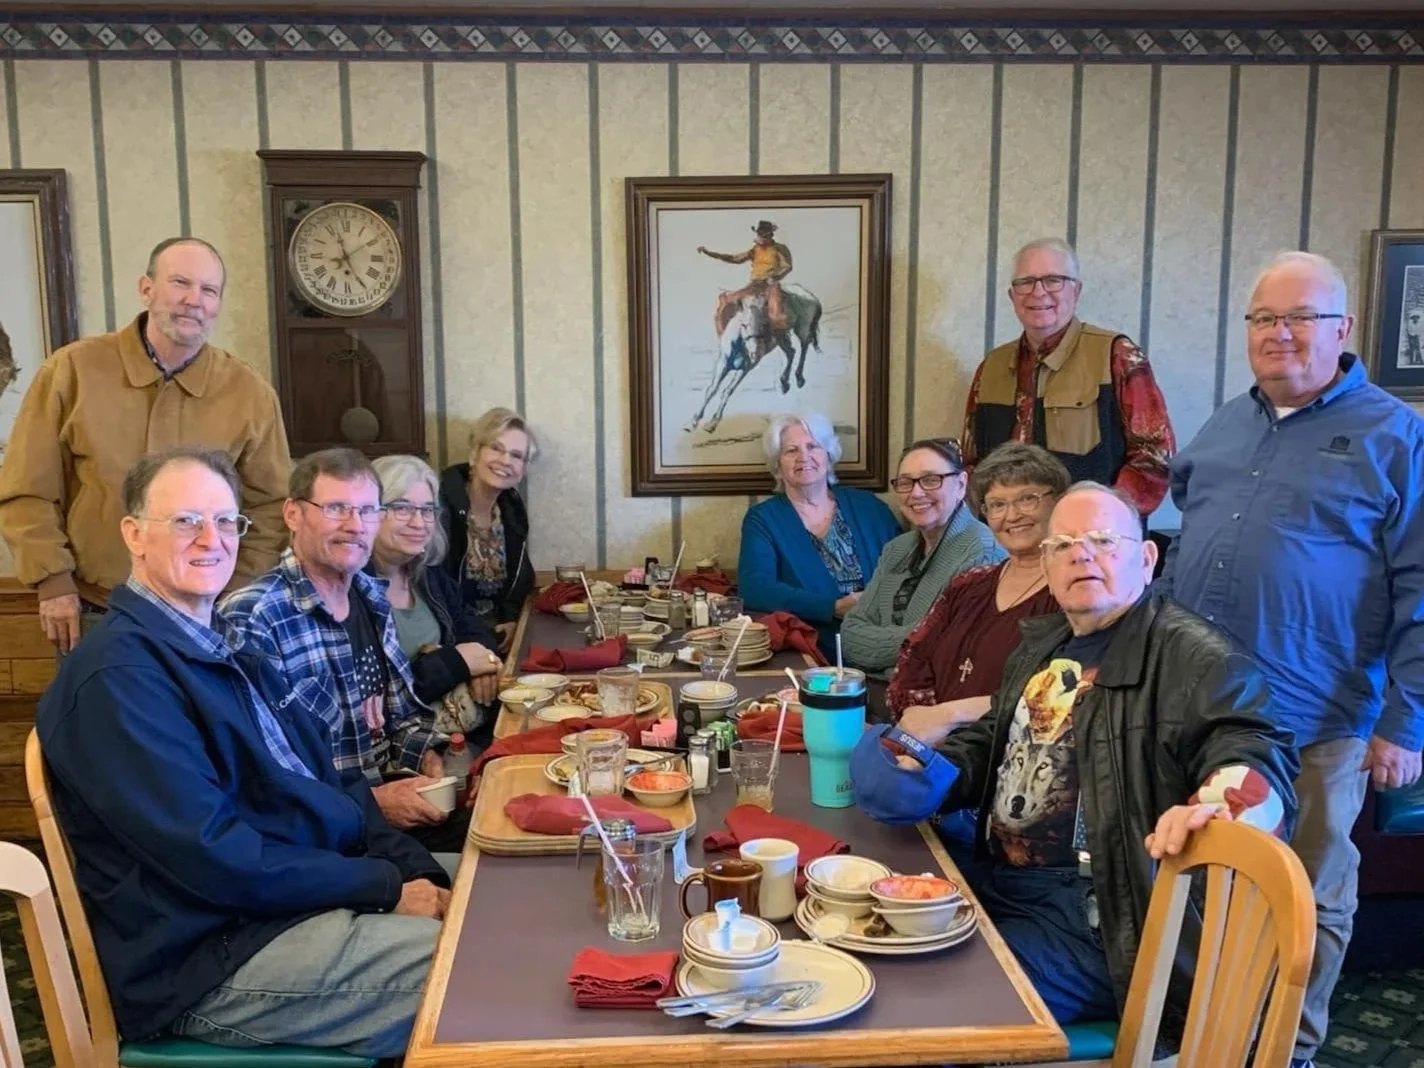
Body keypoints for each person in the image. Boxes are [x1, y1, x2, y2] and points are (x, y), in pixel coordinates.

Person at [36, 446, 448, 1058]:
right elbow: (216, 858)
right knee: (484, 963)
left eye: (226, 521)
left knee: (503, 901)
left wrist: (410, 867)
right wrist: (385, 886)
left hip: (281, 909)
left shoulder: (227, 648)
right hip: (208, 962)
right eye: (185, 521)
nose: (212, 539)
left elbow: (329, 791)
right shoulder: (118, 678)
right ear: (134, 535)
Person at [851, 481, 1299, 1041]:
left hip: (1099, 921)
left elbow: (1255, 758)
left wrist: (1214, 810)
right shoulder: (1045, 643)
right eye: (1061, 544)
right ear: (1046, 562)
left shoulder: (1199, 659)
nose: (1080, 554)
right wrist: (932, 771)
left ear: (1147, 557)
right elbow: (996, 740)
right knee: (855, 934)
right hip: (1001, 883)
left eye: (1102, 540)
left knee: (916, 1010)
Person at [1160, 250, 1424, 1068]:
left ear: (1342, 329)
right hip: (1203, 711)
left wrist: (1406, 723)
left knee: (1308, 894)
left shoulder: (1397, 433)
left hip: (1318, 718)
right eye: (1264, 318)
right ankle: (1208, 1032)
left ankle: (1288, 1048)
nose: (1281, 334)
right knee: (1202, 880)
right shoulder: (1223, 423)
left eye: (1300, 318)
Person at [0, 237, 291, 653]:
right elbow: (27, 489)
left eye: (209, 291)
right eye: (179, 283)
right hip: (93, 608)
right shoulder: (71, 371)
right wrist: (52, 580)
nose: (194, 300)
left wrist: (232, 590)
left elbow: (269, 507)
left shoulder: (250, 393)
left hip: (207, 616)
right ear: (146, 288)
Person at [223, 448, 478, 854]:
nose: (355, 525)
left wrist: (427, 752)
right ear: (293, 514)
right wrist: (374, 805)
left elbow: (400, 714)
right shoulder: (254, 617)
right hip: (325, 841)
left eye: (367, 510)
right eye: (336, 508)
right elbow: (261, 780)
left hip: (389, 814)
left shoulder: (371, 596)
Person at [961, 237, 1175, 518]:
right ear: (1012, 296)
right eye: (1026, 282)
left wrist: (1107, 517)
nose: (1038, 292)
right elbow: (969, 464)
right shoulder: (990, 367)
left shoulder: (1117, 355)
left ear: (1076, 291)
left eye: (1053, 280)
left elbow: (1155, 455)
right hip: (1007, 543)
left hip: (1089, 544)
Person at [887, 442, 1070, 737]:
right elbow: (914, 658)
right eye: (997, 504)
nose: (1011, 516)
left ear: (1058, 502)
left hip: (1010, 763)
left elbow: (1057, 699)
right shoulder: (968, 583)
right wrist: (919, 721)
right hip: (935, 753)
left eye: (1027, 499)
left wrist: (948, 716)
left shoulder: (1072, 595)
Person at [738, 411, 901, 661]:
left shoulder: (871, 508)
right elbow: (755, 588)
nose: (804, 457)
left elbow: (906, 569)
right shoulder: (763, 519)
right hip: (813, 648)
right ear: (778, 466)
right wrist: (832, 607)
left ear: (828, 455)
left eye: (813, 446)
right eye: (791, 450)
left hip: (886, 634)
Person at [370, 454, 503, 749]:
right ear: (371, 511)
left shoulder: (428, 576)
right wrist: (458, 663)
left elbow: (475, 628)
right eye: (402, 508)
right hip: (400, 753)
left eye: (427, 510)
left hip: (460, 740)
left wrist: (482, 662)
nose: (419, 522)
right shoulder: (352, 592)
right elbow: (378, 699)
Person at [840, 438, 1002, 678]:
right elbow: (850, 636)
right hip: (879, 693)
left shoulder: (983, 552)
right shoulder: (896, 549)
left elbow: (951, 647)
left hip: (936, 705)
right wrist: (911, 650)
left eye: (930, 480)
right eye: (905, 482)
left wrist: (880, 654)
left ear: (961, 484)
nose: (916, 493)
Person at [438, 407, 537, 653]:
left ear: (523, 469)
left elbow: (519, 583)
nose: (505, 461)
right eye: (496, 448)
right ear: (475, 454)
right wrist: (479, 645)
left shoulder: (512, 511)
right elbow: (437, 593)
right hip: (452, 640)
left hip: (498, 641)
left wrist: (514, 621)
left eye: (516, 455)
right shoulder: (439, 507)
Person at [698, 219, 793, 334]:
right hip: (754, 284)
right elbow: (735, 258)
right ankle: (725, 336)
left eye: (763, 234)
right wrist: (710, 253)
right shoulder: (755, 250)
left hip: (770, 283)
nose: (760, 237)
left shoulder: (780, 249)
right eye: (759, 234)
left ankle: (780, 335)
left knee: (776, 314)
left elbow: (787, 266)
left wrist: (775, 277)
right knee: (727, 303)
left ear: (770, 235)